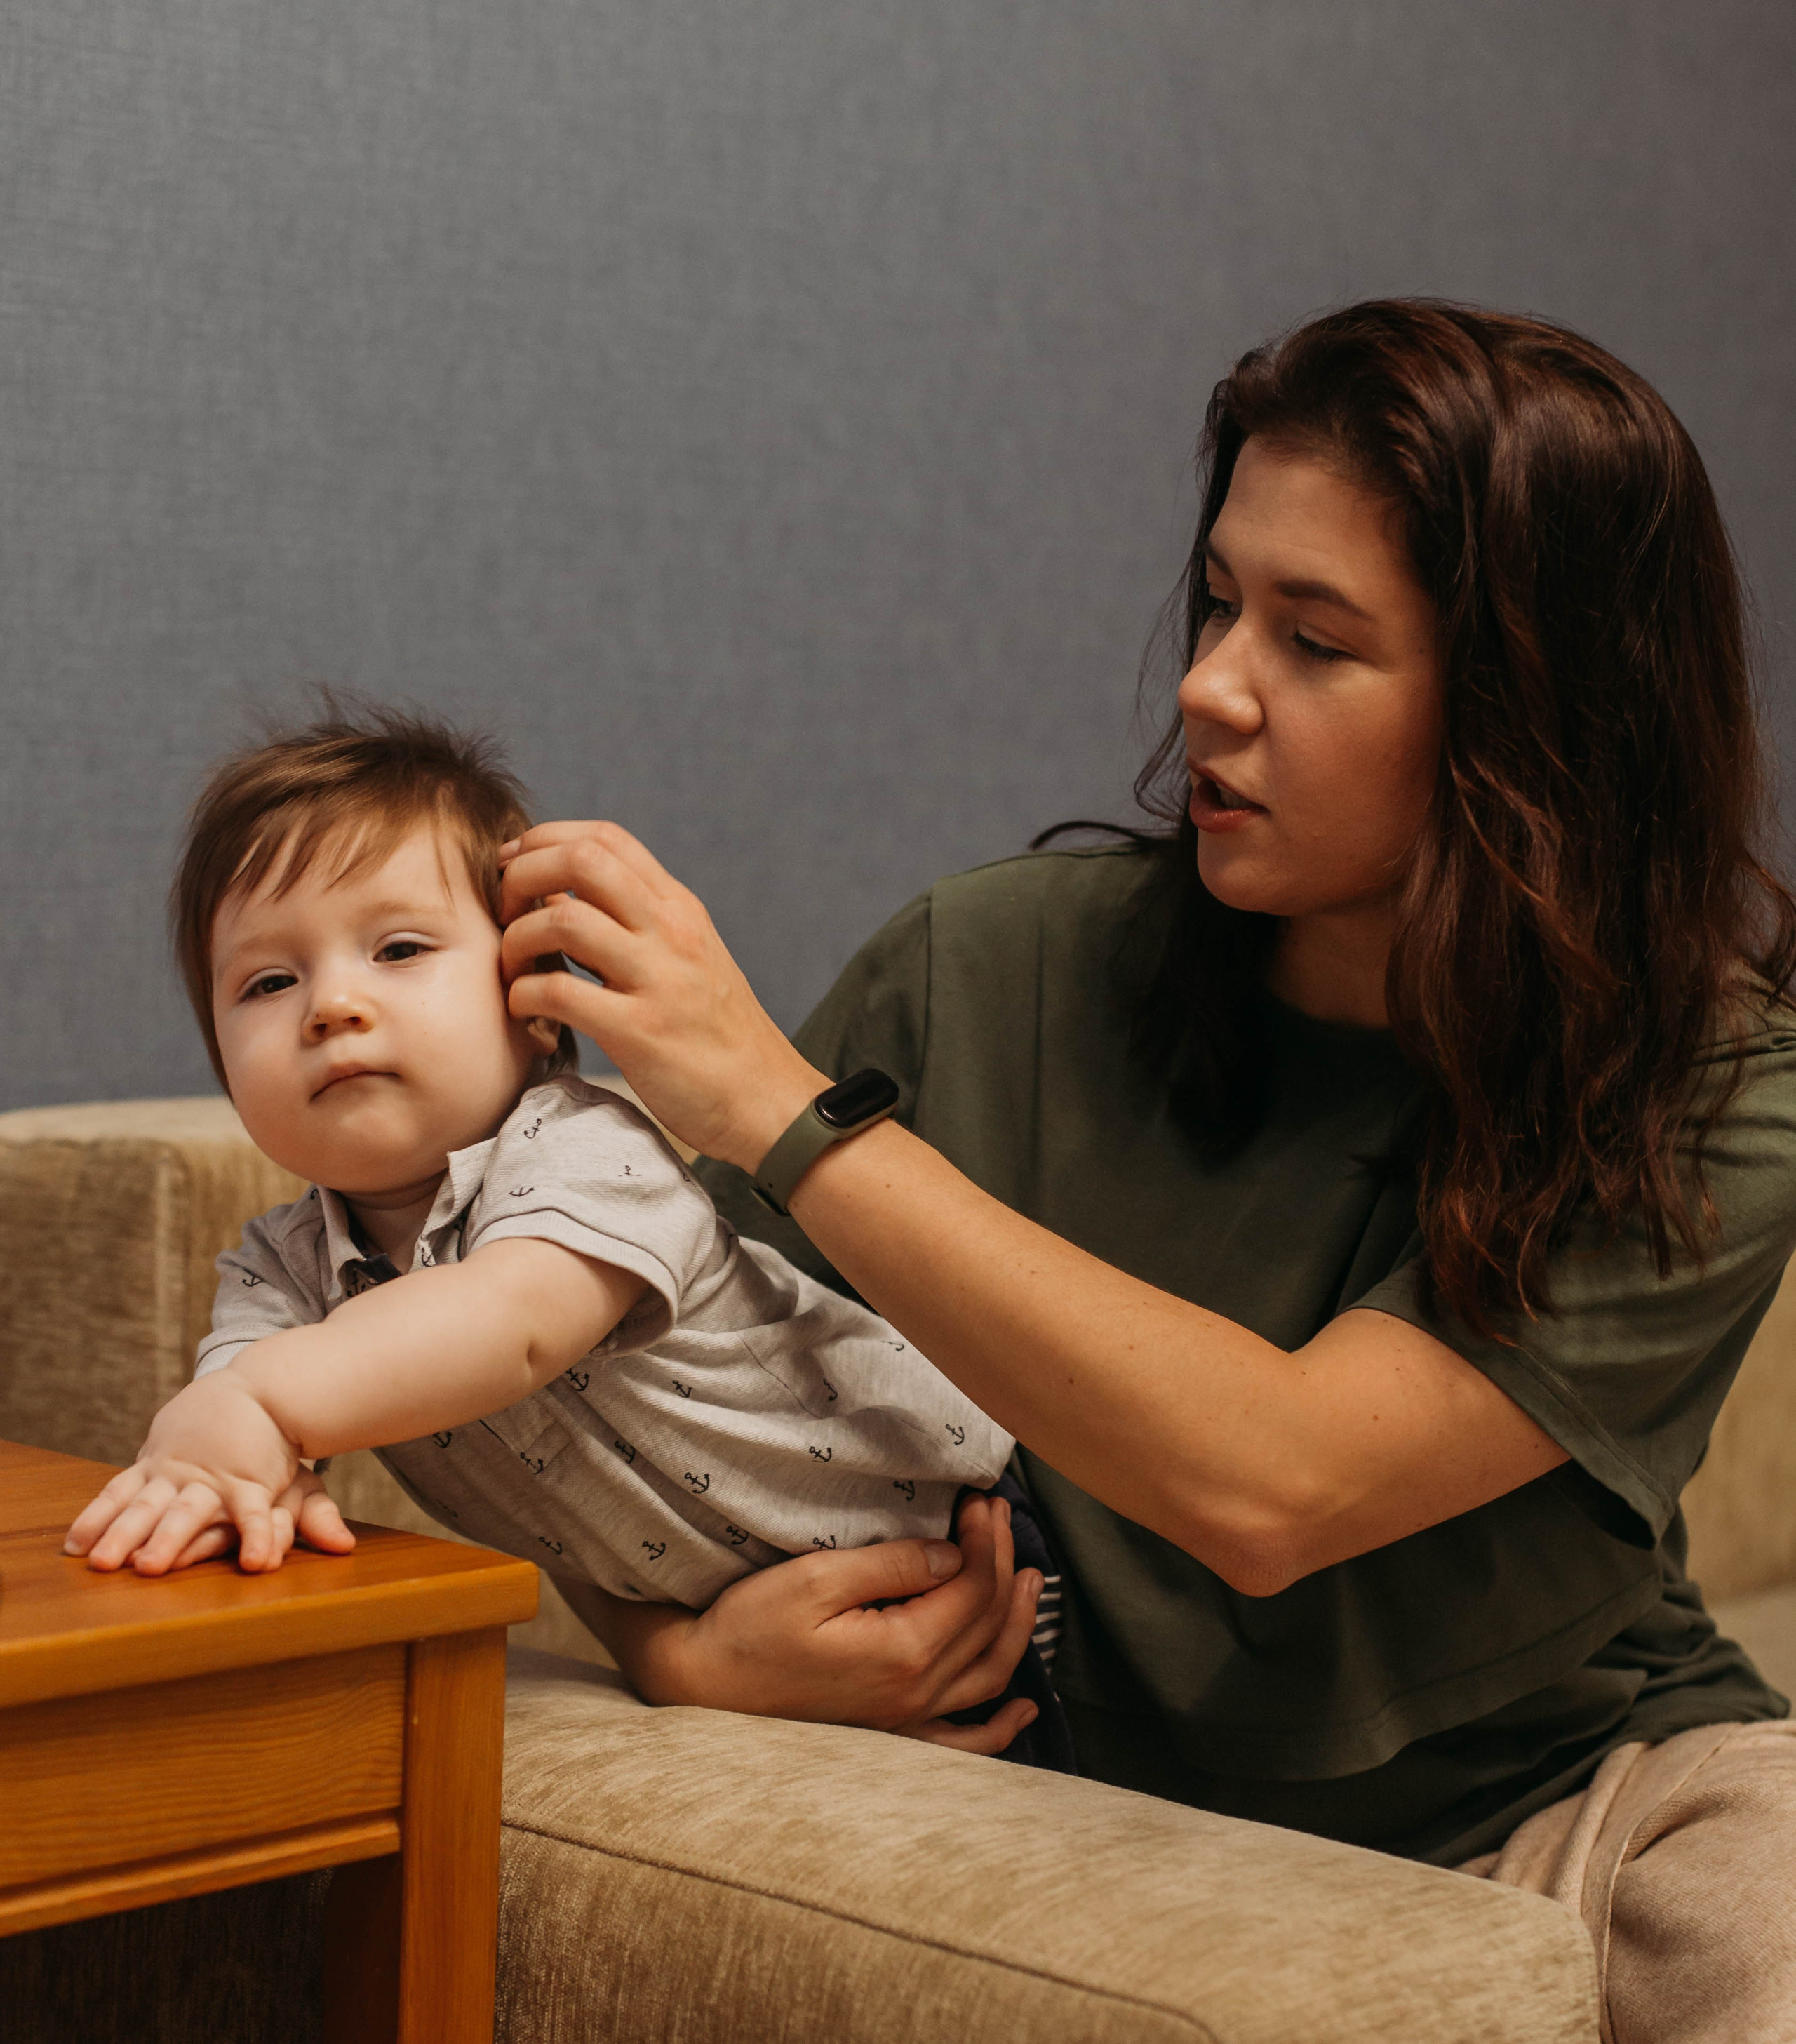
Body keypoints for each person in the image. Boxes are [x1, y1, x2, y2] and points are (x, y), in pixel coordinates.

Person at [489, 301, 1796, 2040]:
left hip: (1587, 1796)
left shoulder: (1710, 1082)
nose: (1205, 684)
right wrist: (664, 1648)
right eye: (1216, 599)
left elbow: (1277, 1487)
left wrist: (785, 1115)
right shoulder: (985, 967)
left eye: (1313, 641)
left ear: (1526, 723)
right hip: (1105, 1805)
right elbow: (605, 1387)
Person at [62, 709, 1074, 1766]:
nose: (333, 1004)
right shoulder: (280, 1271)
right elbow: (223, 1433)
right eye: (269, 982)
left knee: (1048, 1827)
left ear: (534, 1002)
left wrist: (257, 1405)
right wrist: (214, 1479)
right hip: (738, 1610)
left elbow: (514, 1321)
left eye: (399, 948)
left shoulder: (587, 1144)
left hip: (952, 1547)